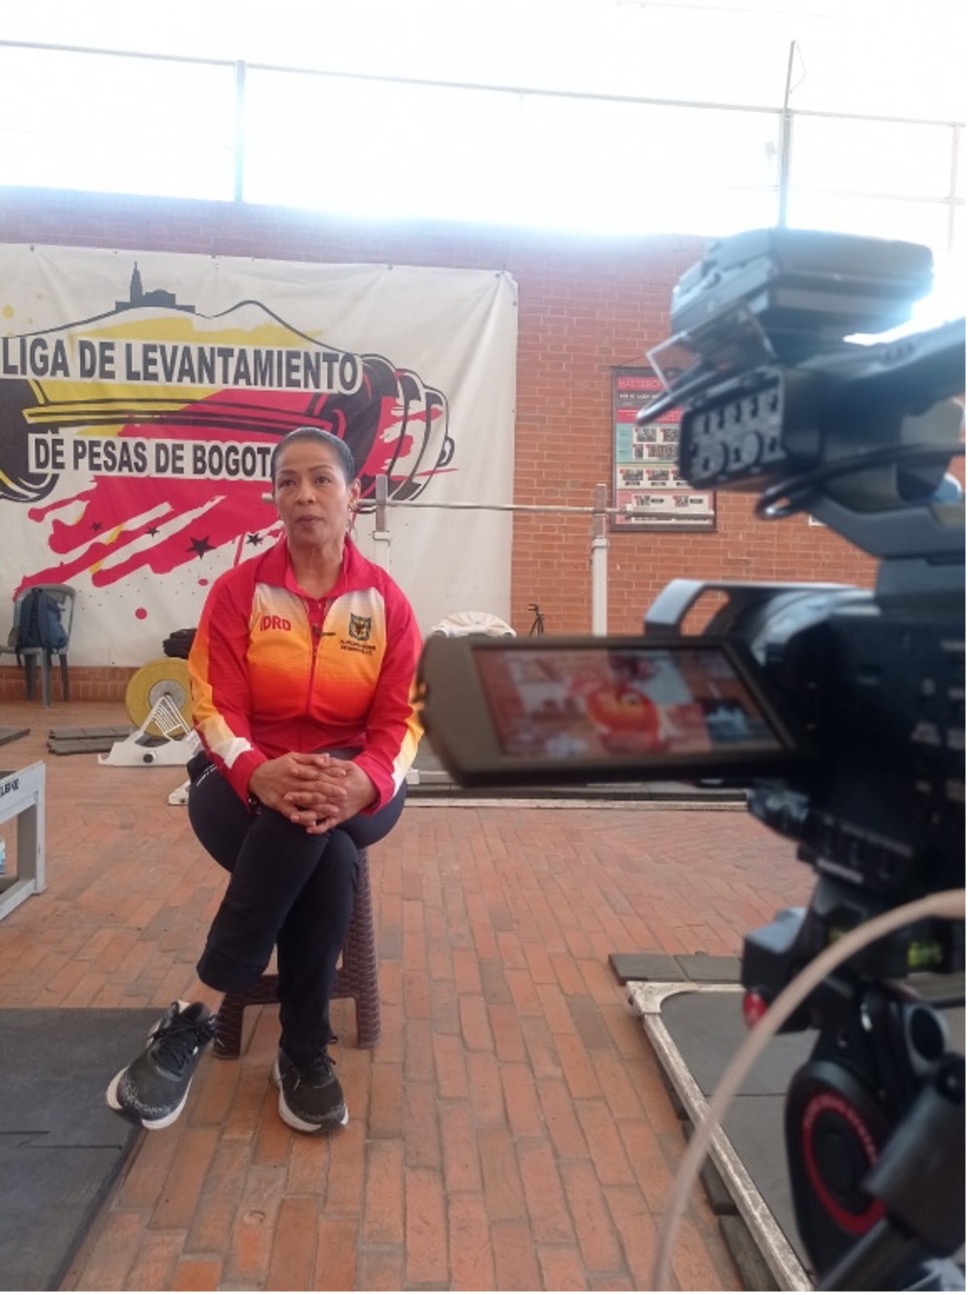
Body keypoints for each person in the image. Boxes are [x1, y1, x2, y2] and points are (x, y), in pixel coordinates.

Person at [106, 426, 423, 1134]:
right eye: (287, 482)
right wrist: (257, 770)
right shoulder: (237, 592)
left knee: (312, 819)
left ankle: (195, 1012)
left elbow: (403, 721)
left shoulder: (388, 605)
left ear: (354, 495)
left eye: (321, 480)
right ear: (274, 498)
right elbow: (212, 704)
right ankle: (306, 1054)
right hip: (236, 780)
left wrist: (367, 781)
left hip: (358, 786)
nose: (304, 494)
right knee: (322, 845)